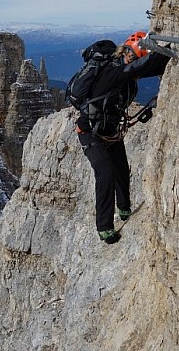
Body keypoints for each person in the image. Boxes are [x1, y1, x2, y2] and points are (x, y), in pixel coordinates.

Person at [68, 32, 170, 244]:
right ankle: (104, 227)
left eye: (135, 57)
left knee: (122, 170)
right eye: (131, 56)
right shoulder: (114, 71)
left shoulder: (126, 76)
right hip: (90, 133)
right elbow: (145, 66)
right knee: (105, 173)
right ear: (125, 52)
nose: (131, 60)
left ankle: (124, 208)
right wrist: (168, 50)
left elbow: (145, 68)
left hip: (111, 131)